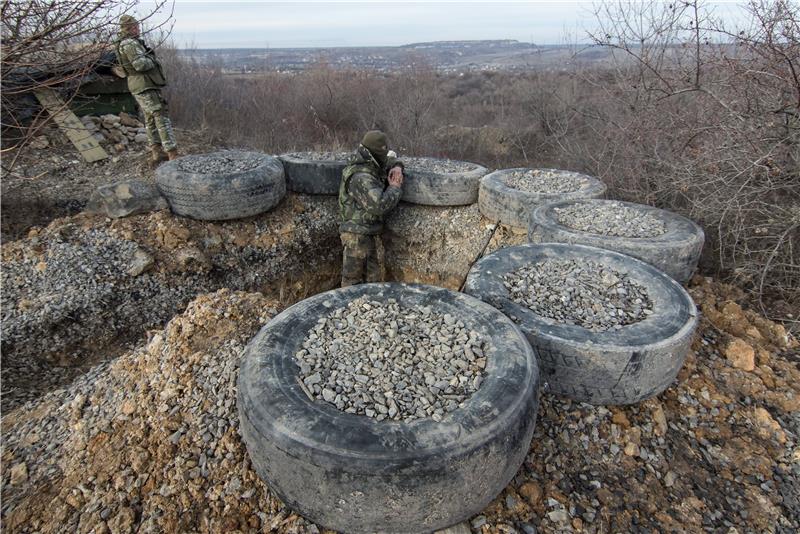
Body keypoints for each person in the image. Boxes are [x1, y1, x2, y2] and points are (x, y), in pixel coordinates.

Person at [338, 130, 404, 287]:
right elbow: (379, 205)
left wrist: (397, 167)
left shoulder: (368, 160)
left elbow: (388, 159)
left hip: (369, 232)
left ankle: (370, 309)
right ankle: (350, 311)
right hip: (357, 236)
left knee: (373, 281)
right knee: (352, 284)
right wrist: (394, 188)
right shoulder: (361, 177)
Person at [115, 14, 178, 166]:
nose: (138, 29)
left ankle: (157, 152)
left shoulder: (126, 43)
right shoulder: (129, 43)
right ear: (128, 28)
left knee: (150, 119)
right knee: (160, 117)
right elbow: (140, 65)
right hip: (144, 85)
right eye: (135, 27)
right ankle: (172, 155)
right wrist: (153, 59)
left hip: (141, 85)